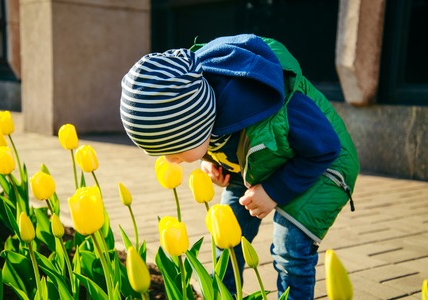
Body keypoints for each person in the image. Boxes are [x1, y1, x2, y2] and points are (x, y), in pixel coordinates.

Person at [120, 34, 360, 299]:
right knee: (226, 234)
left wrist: (272, 192)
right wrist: (209, 161)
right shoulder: (203, 108)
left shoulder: (274, 103)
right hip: (259, 162)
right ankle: (225, 295)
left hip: (323, 165)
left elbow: (325, 147)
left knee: (289, 247)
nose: (170, 161)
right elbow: (215, 141)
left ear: (195, 126)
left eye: (173, 150)